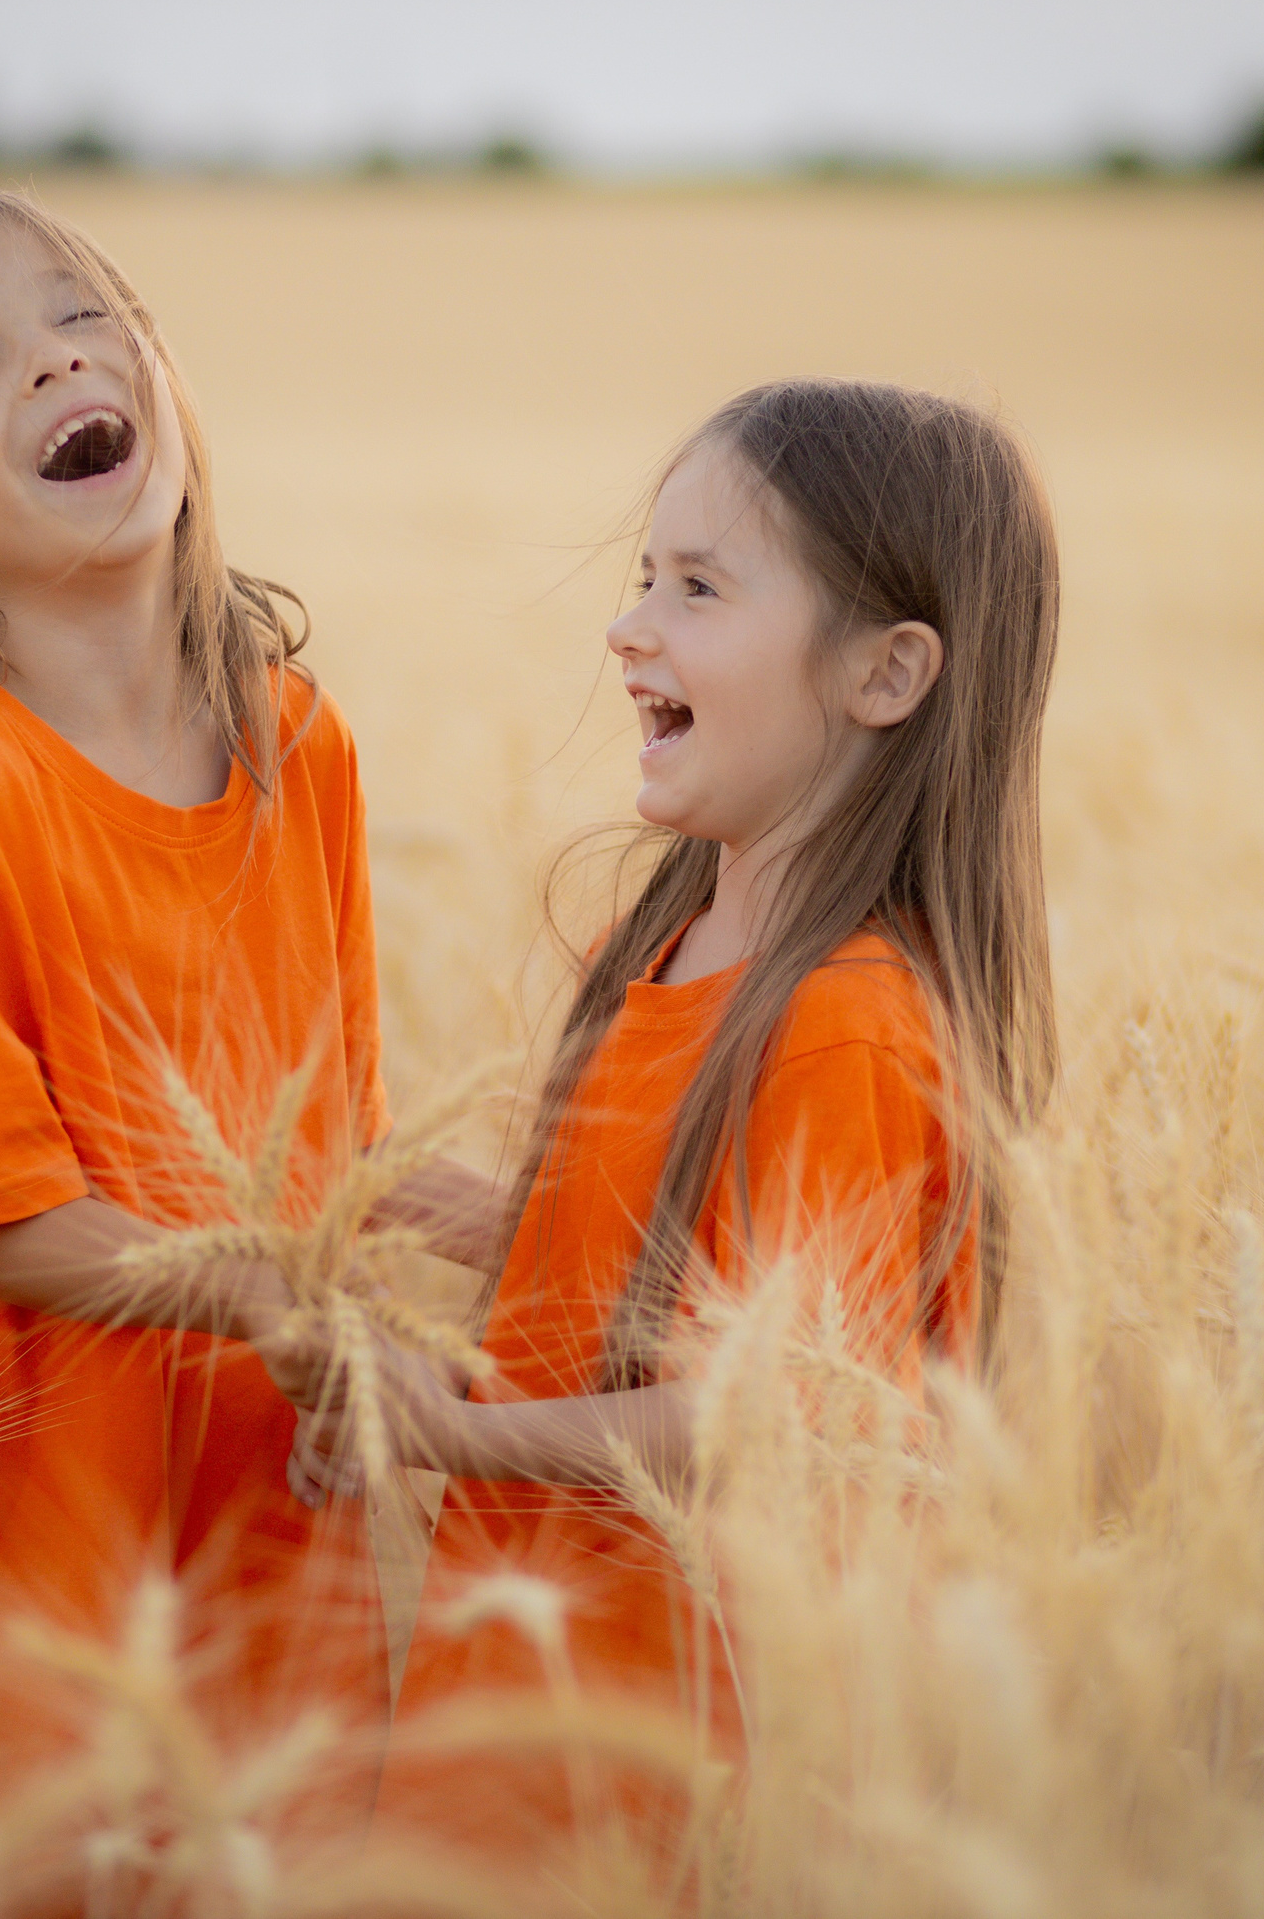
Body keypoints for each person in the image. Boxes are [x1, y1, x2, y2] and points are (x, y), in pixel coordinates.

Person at [0, 189, 487, 1901]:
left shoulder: (299, 742)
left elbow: (326, 1142)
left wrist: (533, 1222)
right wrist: (268, 1293)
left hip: (232, 1496)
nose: (57, 352)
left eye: (85, 314)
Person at [328, 378, 1061, 1874]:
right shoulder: (666, 946)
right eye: (641, 578)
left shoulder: (846, 1016)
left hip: (689, 1749)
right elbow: (641, 1263)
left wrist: (449, 1431)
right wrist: (424, 1206)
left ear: (884, 675)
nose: (629, 627)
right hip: (531, 1692)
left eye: (700, 588)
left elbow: (770, 1406)